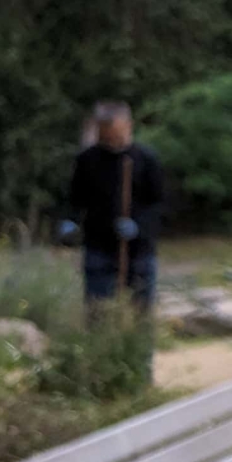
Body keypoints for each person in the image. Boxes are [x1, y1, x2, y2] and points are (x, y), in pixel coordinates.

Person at [64, 100, 165, 312]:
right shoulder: (87, 160)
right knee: (98, 310)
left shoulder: (145, 159)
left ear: (128, 125)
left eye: (116, 134)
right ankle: (100, 343)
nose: (112, 140)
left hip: (139, 251)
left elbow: (159, 204)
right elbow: (75, 199)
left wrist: (139, 226)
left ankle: (137, 343)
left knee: (141, 310)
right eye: (106, 135)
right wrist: (70, 220)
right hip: (98, 247)